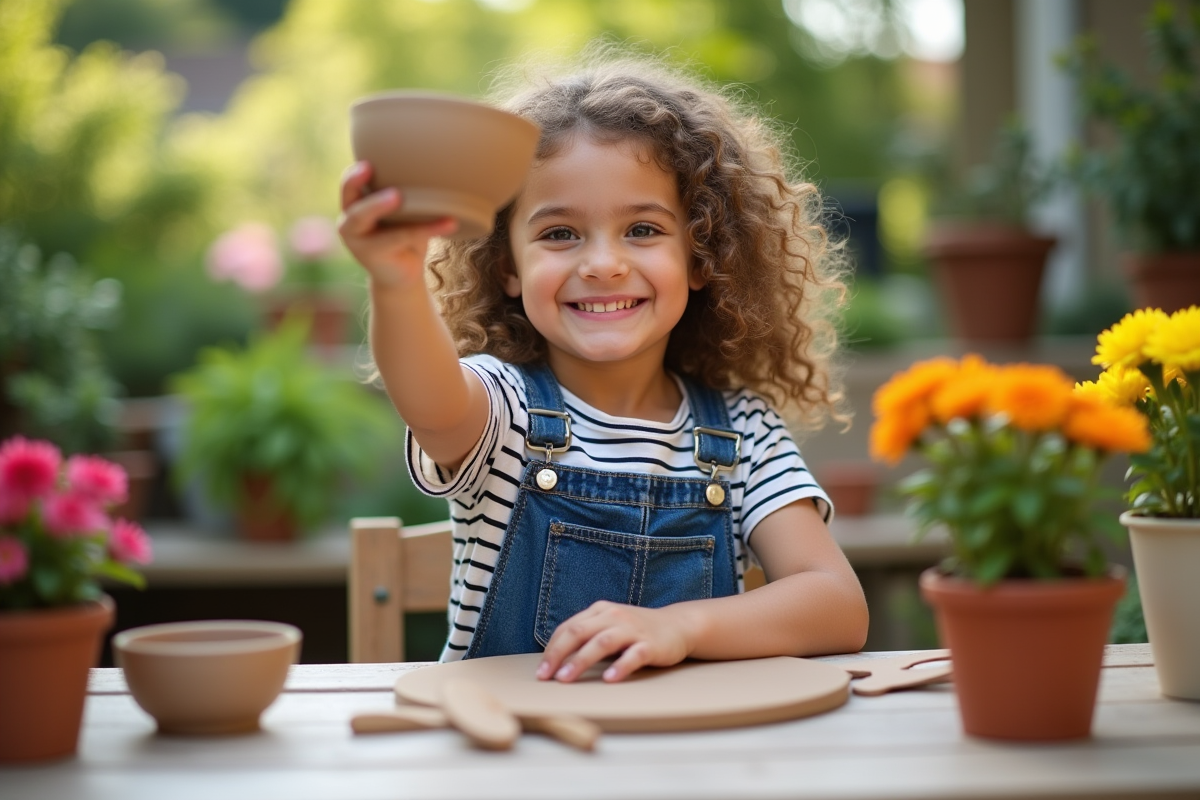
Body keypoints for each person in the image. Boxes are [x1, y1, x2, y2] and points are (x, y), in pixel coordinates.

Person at [338, 52, 869, 683]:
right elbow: (430, 403)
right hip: (513, 762)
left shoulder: (743, 433)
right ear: (506, 265)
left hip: (683, 762)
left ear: (701, 258)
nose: (603, 264)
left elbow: (838, 604)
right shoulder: (501, 411)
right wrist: (396, 279)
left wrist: (681, 626)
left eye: (643, 229)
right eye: (560, 234)